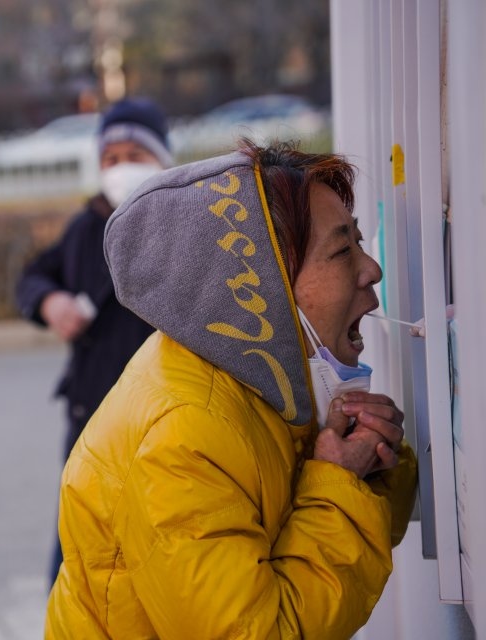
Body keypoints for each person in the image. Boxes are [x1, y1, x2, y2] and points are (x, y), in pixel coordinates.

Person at [45, 141, 419, 638]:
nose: (371, 270)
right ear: (261, 286)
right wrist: (339, 482)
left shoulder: (258, 379)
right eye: (342, 249)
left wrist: (368, 472)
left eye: (360, 241)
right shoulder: (182, 437)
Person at [15, 97, 174, 586]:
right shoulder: (85, 228)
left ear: (163, 160)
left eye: (135, 154)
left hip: (165, 426)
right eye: (110, 158)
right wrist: (50, 302)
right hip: (90, 422)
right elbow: (32, 277)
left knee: (162, 563)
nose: (121, 168)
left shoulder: (183, 224)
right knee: (77, 560)